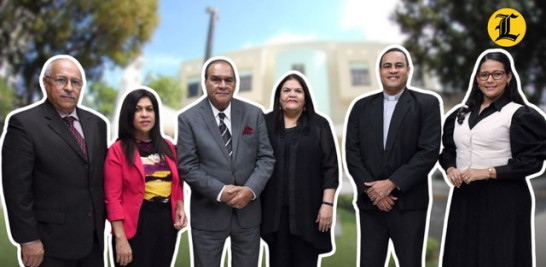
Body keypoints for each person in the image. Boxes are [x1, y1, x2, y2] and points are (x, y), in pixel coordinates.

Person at [439, 49, 546, 267]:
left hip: (504, 200)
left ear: (508, 77)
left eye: (497, 74)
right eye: (484, 75)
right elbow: (448, 150)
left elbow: (532, 162)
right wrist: (450, 168)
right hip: (465, 199)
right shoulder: (460, 114)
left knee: (499, 258)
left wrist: (486, 172)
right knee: (462, 256)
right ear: (477, 78)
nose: (490, 80)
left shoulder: (519, 114)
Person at [1, 55, 108, 267]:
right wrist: (28, 239)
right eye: (61, 80)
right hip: (50, 245)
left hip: (92, 241)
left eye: (75, 82)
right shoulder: (24, 124)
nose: (69, 87)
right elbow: (16, 190)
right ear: (46, 82)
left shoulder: (97, 124)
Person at [344, 45, 442, 267]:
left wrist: (391, 184)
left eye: (399, 65)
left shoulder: (427, 104)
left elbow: (428, 152)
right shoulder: (361, 107)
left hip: (409, 205)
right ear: (379, 72)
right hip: (371, 205)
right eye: (387, 66)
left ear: (408, 70)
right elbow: (352, 153)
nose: (393, 70)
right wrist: (373, 191)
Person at [176, 56, 275, 267]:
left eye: (228, 80)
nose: (222, 85)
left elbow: (266, 158)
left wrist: (250, 190)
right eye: (216, 79)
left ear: (235, 84)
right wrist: (220, 191)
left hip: (248, 217)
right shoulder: (187, 119)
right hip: (208, 216)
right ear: (205, 82)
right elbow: (187, 166)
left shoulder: (254, 114)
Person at [261, 72, 340, 267]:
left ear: (305, 98)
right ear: (279, 97)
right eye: (286, 90)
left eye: (298, 90)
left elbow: (330, 167)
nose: (292, 94)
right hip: (273, 213)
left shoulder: (319, 125)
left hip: (309, 211)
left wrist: (327, 205)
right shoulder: (266, 123)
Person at [104, 88, 187, 267]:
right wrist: (120, 238)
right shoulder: (117, 151)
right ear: (129, 114)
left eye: (149, 109)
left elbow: (177, 182)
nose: (144, 115)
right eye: (138, 109)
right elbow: (112, 198)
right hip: (135, 225)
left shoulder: (168, 147)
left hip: (165, 224)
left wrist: (179, 205)